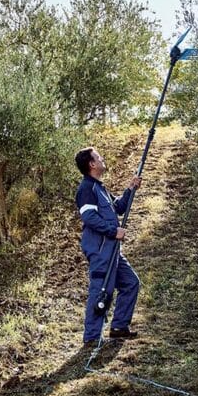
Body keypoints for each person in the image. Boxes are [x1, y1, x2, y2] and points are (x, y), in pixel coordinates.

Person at [74, 147, 142, 346]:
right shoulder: (87, 189)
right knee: (101, 290)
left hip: (113, 251)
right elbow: (89, 217)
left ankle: (119, 327)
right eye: (98, 157)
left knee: (130, 282)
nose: (102, 158)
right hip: (100, 250)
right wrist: (113, 231)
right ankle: (92, 338)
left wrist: (130, 189)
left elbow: (118, 207)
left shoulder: (100, 188)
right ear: (91, 164)